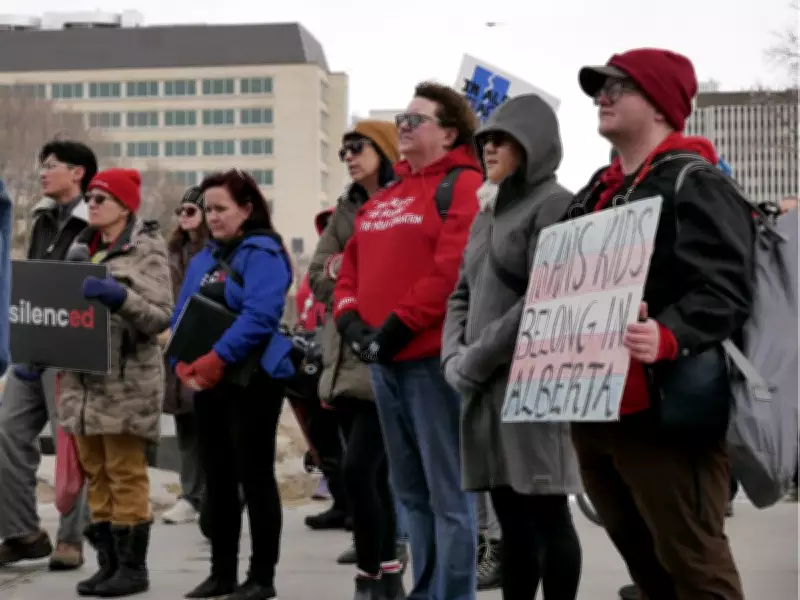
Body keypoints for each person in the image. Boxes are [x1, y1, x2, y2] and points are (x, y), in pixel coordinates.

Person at [570, 48, 753, 599]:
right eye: (599, 89)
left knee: (694, 565)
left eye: (617, 87)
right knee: (647, 569)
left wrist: (670, 333)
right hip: (595, 407)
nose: (601, 98)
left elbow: (727, 288)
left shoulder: (696, 181)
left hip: (665, 409)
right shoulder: (595, 191)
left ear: (659, 105)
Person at [333, 83, 483, 600]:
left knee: (449, 497)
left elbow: (451, 270)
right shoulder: (386, 196)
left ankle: (452, 594)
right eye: (402, 119)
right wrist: (351, 323)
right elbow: (348, 269)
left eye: (416, 120)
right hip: (383, 364)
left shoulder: (465, 185)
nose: (403, 126)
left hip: (429, 361)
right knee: (410, 495)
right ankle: (425, 591)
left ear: (449, 133)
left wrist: (396, 328)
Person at [443, 94, 583, 600]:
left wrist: (475, 358)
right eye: (486, 139)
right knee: (511, 520)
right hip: (483, 388)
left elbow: (545, 298)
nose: (489, 148)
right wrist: (452, 356)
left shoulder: (557, 204)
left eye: (502, 139)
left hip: (534, 387)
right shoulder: (488, 210)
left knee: (547, 513)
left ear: (534, 144)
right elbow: (461, 291)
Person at [171, 168, 294, 600]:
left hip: (252, 379)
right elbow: (183, 313)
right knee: (218, 478)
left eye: (221, 208)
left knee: (255, 477)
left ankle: (261, 576)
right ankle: (221, 572)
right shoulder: (203, 258)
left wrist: (217, 357)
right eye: (208, 209)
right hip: (209, 382)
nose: (213, 217)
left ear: (247, 209)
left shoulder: (264, 253)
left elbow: (260, 316)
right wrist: (181, 361)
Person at [56, 168, 172, 597]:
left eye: (101, 197)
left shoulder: (147, 249)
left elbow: (160, 317)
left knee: (125, 473)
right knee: (97, 473)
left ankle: (132, 569)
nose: (92, 203)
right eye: (90, 197)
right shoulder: (79, 247)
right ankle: (108, 565)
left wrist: (120, 298)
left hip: (127, 384)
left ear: (125, 205)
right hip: (82, 386)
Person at [309, 119, 408, 599]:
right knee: (373, 476)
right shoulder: (345, 208)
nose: (348, 156)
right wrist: (354, 272)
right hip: (344, 359)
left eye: (357, 147)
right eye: (344, 150)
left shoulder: (405, 200)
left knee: (360, 470)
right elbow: (318, 274)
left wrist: (352, 272)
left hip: (389, 354)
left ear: (384, 150)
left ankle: (374, 573)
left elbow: (400, 270)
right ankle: (384, 574)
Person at [0, 139, 98, 571]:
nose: (42, 172)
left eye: (52, 165)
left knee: (70, 443)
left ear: (78, 173)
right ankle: (22, 532)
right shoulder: (40, 218)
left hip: (71, 350)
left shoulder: (95, 219)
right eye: (42, 164)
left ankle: (71, 538)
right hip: (32, 343)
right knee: (8, 432)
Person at [294, 208, 350, 517]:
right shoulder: (317, 271)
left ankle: (355, 506)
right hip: (317, 359)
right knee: (320, 430)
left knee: (349, 435)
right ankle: (339, 497)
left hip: (349, 357)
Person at [160, 186, 210, 526]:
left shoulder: (217, 252)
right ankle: (191, 496)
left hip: (209, 347)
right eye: (180, 210)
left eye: (191, 210)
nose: (183, 216)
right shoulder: (171, 252)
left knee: (213, 427)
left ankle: (216, 496)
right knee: (186, 427)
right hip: (176, 347)